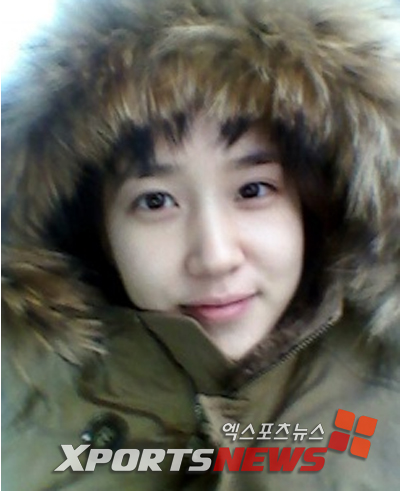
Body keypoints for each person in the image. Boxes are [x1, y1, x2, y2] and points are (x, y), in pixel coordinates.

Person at [2, 0, 400, 489]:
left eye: (253, 190)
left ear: (317, 200)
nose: (215, 258)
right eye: (155, 201)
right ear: (93, 229)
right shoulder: (19, 397)